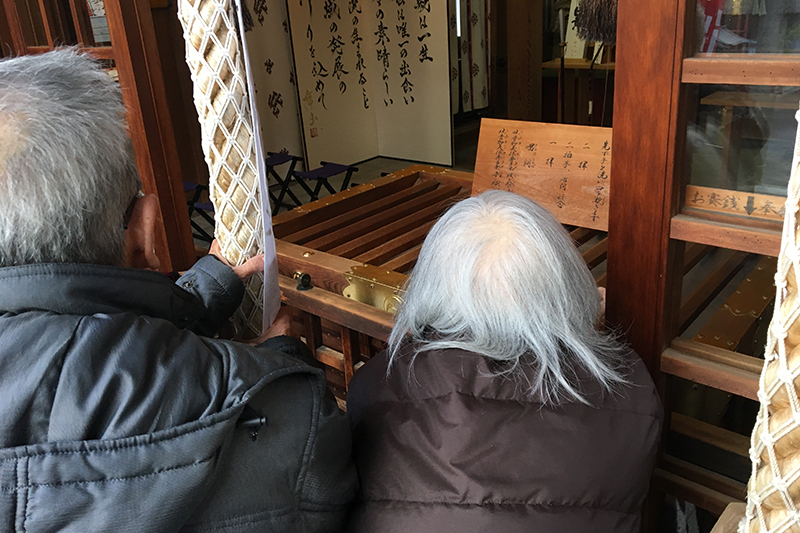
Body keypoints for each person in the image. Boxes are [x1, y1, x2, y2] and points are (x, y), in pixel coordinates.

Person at [0, 49, 356, 532]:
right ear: (143, 233)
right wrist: (280, 357)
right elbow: (317, 467)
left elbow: (70, 343)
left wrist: (203, 292)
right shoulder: (281, 411)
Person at [347, 190, 663, 533]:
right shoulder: (630, 391)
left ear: (428, 288)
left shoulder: (377, 383)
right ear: (569, 287)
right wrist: (583, 327)